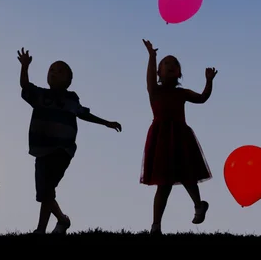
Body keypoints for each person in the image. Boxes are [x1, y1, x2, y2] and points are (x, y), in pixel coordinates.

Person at [17, 47, 122, 234]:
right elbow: (25, 86)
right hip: (41, 150)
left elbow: (84, 114)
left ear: (68, 80)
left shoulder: (72, 99)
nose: (54, 73)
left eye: (60, 71)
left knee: (47, 188)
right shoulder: (40, 95)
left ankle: (41, 230)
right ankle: (62, 220)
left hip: (62, 151)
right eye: (51, 70)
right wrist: (25, 66)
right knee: (44, 192)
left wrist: (106, 122)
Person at [140, 39, 216, 235]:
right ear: (159, 73)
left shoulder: (182, 93)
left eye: (174, 64)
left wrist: (209, 81)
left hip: (180, 137)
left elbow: (202, 98)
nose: (171, 65)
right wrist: (152, 56)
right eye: (166, 63)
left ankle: (199, 205)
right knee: (163, 184)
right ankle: (156, 226)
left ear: (179, 73)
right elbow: (149, 78)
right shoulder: (154, 91)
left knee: (187, 174)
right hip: (161, 139)